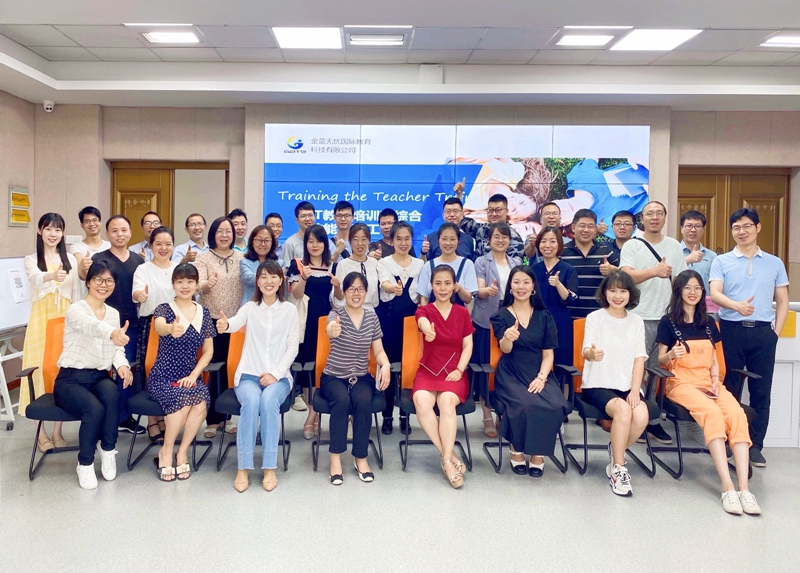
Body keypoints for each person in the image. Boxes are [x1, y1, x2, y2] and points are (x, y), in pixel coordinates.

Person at [656, 270, 760, 515]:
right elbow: (660, 360)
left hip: (708, 382)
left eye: (698, 288)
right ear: (678, 291)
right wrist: (671, 354)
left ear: (703, 292)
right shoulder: (668, 322)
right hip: (680, 382)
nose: (693, 292)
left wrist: (715, 381)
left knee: (736, 415)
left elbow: (714, 358)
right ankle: (727, 487)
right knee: (712, 414)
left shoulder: (710, 323)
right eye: (688, 288)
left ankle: (744, 489)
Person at [710, 208, 789, 468]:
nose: (741, 232)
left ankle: (756, 445)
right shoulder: (722, 261)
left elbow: (783, 300)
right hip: (730, 330)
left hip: (763, 333)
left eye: (746, 226)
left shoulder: (774, 263)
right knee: (729, 387)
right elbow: (715, 293)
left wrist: (775, 333)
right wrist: (736, 306)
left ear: (758, 227)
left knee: (761, 390)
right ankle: (729, 439)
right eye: (736, 228)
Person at [216, 260, 300, 492]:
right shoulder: (250, 308)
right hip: (249, 375)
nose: (268, 281)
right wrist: (225, 324)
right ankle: (243, 466)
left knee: (269, 400)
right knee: (252, 402)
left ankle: (269, 466)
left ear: (281, 281)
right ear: (257, 282)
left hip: (279, 378)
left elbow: (293, 348)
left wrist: (275, 374)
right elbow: (234, 323)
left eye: (273, 277)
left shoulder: (289, 310)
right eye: (263, 277)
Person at [53, 260, 133, 489]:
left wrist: (122, 365)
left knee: (113, 395)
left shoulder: (113, 313)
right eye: (98, 279)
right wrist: (113, 333)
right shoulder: (76, 309)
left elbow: (117, 348)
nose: (103, 284)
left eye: (109, 280)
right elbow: (92, 326)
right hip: (71, 379)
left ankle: (108, 450)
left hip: (98, 377)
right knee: (94, 409)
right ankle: (85, 463)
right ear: (88, 282)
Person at [490, 265, 571, 478]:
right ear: (510, 286)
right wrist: (507, 337)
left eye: (526, 282)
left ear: (533, 286)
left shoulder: (544, 316)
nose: (521, 287)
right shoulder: (501, 315)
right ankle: (516, 447)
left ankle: (538, 452)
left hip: (538, 370)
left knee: (556, 404)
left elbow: (548, 355)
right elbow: (505, 349)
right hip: (511, 371)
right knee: (525, 403)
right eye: (516, 282)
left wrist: (542, 377)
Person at [620, 200, 687, 445]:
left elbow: (680, 281)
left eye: (659, 213)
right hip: (637, 317)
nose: (655, 217)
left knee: (657, 371)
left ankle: (652, 420)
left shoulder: (674, 246)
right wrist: (654, 271)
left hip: (666, 319)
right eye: (650, 213)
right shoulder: (632, 245)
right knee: (635, 371)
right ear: (642, 219)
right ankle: (633, 416)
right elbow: (625, 276)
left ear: (665, 218)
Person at [580, 270, 650, 497]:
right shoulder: (595, 318)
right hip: (598, 383)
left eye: (623, 291)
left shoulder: (637, 322)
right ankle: (618, 468)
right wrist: (592, 354)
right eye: (612, 290)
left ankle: (616, 449)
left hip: (627, 385)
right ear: (605, 293)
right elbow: (585, 351)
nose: (618, 296)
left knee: (641, 415)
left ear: (630, 294)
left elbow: (639, 358)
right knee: (623, 410)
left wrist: (635, 390)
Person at [322, 272, 391, 485]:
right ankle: (335, 459)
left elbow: (378, 350)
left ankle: (360, 458)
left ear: (366, 291)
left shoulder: (371, 317)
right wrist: (332, 330)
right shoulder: (336, 314)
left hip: (360, 376)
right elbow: (330, 329)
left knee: (363, 402)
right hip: (334, 376)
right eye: (351, 288)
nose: (356, 293)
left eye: (360, 288)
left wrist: (385, 364)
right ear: (344, 292)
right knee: (342, 401)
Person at [148, 264, 215, 482]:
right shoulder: (164, 309)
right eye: (179, 282)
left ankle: (182, 451)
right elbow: (159, 326)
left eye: (189, 282)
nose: (184, 286)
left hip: (190, 376)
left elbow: (208, 351)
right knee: (182, 401)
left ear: (196, 284)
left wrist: (194, 375)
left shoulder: (204, 312)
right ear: (173, 284)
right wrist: (170, 329)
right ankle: (166, 451)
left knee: (201, 401)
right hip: (163, 376)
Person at [21, 213, 80, 451]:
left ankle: (57, 431)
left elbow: (76, 295)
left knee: (60, 373)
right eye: (48, 229)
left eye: (58, 229)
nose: (53, 234)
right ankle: (41, 433)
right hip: (40, 321)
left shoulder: (71, 260)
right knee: (38, 371)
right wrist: (52, 275)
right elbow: (35, 278)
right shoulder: (31, 259)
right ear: (39, 231)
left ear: (63, 233)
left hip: (64, 321)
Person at [413, 265, 475, 488]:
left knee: (446, 401)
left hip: (454, 370)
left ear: (454, 286)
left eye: (447, 283)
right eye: (438, 283)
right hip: (429, 369)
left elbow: (468, 346)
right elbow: (421, 322)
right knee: (421, 400)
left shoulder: (462, 313)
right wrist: (427, 331)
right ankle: (448, 457)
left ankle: (447, 461)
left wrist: (459, 370)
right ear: (431, 286)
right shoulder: (425, 311)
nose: (442, 288)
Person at [92, 215, 145, 435]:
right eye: (114, 230)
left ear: (130, 233)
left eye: (124, 230)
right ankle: (100, 415)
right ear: (107, 234)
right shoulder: (99, 259)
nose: (120, 234)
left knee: (126, 369)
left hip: (131, 324)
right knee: (101, 371)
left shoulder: (139, 261)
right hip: (103, 325)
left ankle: (124, 417)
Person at [195, 216, 244, 438]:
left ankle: (227, 417)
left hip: (236, 323)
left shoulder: (241, 257)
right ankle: (212, 420)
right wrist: (207, 285)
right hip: (212, 322)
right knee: (213, 369)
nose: (224, 235)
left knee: (231, 368)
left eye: (228, 231)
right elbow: (197, 286)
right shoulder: (203, 258)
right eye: (220, 231)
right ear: (213, 234)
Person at [286, 224, 337, 439]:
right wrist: (304, 277)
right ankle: (312, 414)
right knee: (308, 369)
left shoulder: (333, 265)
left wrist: (338, 286)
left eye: (319, 241)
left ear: (325, 243)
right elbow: (296, 294)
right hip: (305, 322)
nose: (315, 245)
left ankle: (312, 417)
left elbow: (338, 298)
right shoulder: (298, 265)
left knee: (323, 367)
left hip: (327, 323)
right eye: (310, 241)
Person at [473, 223, 521, 438]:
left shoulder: (516, 262)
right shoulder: (481, 261)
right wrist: (488, 290)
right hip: (486, 319)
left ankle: (503, 412)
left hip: (511, 318)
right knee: (487, 367)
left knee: (507, 367)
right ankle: (486, 415)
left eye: (504, 237)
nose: (500, 241)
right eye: (496, 237)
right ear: (489, 241)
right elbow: (478, 291)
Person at [376, 221, 424, 435]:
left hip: (412, 326)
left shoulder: (420, 264)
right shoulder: (384, 263)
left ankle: (405, 416)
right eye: (399, 239)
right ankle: (387, 416)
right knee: (388, 368)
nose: (403, 243)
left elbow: (423, 296)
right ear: (392, 240)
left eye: (407, 239)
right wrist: (392, 288)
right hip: (389, 324)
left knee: (409, 370)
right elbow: (384, 284)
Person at [131, 225, 178, 442]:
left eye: (168, 244)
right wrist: (140, 295)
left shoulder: (178, 269)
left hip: (173, 326)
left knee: (170, 373)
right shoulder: (143, 269)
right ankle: (152, 420)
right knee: (150, 371)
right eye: (158, 243)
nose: (163, 248)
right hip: (150, 325)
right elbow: (136, 292)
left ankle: (165, 417)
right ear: (151, 246)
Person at [532, 227, 578, 368]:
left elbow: (572, 299)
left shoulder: (568, 269)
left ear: (559, 244)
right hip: (536, 321)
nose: (547, 245)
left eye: (552, 241)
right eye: (543, 241)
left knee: (560, 363)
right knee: (536, 361)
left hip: (560, 321)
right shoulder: (534, 269)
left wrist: (558, 284)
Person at [561, 209, 618, 319]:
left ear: (595, 229)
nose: (586, 230)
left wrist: (613, 270)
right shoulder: (562, 252)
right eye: (582, 226)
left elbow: (622, 275)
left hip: (600, 316)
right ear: (573, 227)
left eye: (590, 226)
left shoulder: (605, 251)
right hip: (569, 316)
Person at [453, 184, 525, 260]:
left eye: (498, 210)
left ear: (506, 211)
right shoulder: (481, 230)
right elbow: (461, 219)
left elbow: (516, 264)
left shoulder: (513, 236)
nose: (494, 214)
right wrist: (459, 195)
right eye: (490, 210)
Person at [413, 223, 478, 306]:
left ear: (458, 241)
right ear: (438, 240)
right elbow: (424, 298)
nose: (448, 243)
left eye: (452, 239)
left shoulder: (467, 264)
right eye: (444, 239)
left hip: (457, 314)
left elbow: (468, 299)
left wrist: (459, 288)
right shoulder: (428, 266)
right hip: (432, 313)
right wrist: (425, 313)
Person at [333, 223, 379, 310]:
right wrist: (336, 287)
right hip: (349, 311)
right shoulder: (343, 264)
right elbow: (339, 297)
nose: (360, 243)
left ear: (369, 241)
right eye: (355, 239)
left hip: (370, 312)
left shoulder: (374, 263)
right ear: (350, 241)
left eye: (364, 239)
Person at [70, 206, 110, 299]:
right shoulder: (76, 247)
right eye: (87, 221)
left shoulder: (110, 246)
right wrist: (82, 266)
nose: (92, 224)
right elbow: (81, 270)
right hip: (85, 298)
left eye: (95, 220)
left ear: (100, 222)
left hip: (108, 298)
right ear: (82, 225)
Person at [680, 210, 717, 309]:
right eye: (689, 226)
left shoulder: (712, 256)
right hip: (678, 306)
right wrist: (687, 260)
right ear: (681, 229)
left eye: (697, 226)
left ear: (703, 229)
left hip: (705, 307)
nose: (693, 230)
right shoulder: (673, 252)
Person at [240, 225, 281, 307]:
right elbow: (248, 278)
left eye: (267, 240)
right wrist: (272, 276)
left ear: (272, 243)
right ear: (252, 242)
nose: (263, 244)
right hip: (250, 305)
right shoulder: (244, 262)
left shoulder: (280, 263)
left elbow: (282, 289)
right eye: (259, 240)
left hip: (273, 306)